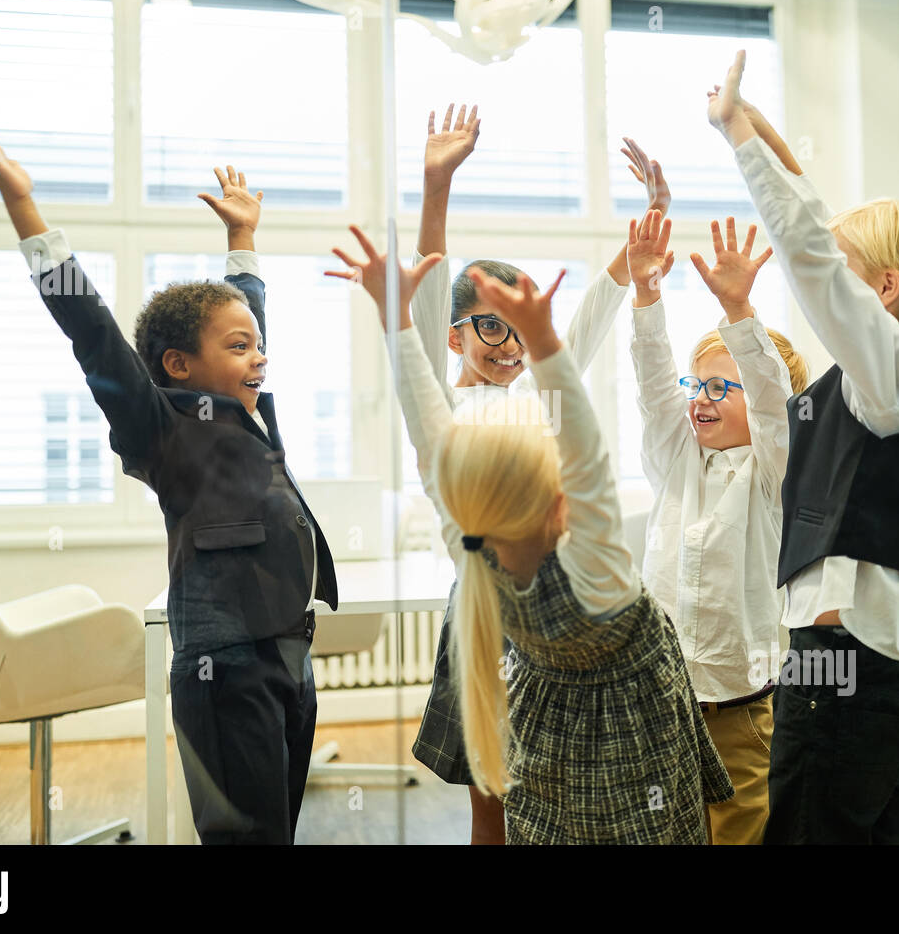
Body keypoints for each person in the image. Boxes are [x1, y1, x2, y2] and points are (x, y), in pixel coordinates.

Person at [0, 107, 340, 844]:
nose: (259, 356)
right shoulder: (159, 424)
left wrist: (243, 239)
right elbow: (90, 329)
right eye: (239, 347)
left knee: (278, 831)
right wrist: (23, 206)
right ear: (177, 367)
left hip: (289, 655)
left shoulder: (244, 407)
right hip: (223, 667)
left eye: (258, 345)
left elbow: (248, 312)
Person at [329, 223, 732, 844]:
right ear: (558, 501)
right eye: (493, 327)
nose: (509, 346)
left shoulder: (470, 518)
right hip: (558, 681)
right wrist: (536, 338)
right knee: (529, 808)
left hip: (587, 688)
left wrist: (397, 321)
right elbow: (579, 450)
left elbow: (426, 423)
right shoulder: (583, 550)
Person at [707, 51, 899, 844]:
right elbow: (820, 231)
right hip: (862, 668)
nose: (827, 296)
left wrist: (738, 142)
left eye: (853, 280)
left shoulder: (897, 372)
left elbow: (815, 259)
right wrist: (757, 129)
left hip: (843, 672)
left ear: (885, 289)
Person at [399, 104, 672, 843]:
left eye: (519, 330)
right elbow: (419, 309)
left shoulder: (531, 395)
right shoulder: (440, 416)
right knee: (489, 791)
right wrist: (435, 189)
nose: (509, 346)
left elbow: (580, 324)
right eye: (491, 327)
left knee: (544, 790)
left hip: (552, 604)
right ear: (456, 334)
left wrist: (640, 239)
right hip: (483, 607)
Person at [626, 198, 807, 843]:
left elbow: (770, 397)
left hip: (740, 705)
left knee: (738, 830)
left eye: (721, 388)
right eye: (698, 385)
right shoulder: (676, 459)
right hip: (664, 699)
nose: (703, 399)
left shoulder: (771, 471)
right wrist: (647, 295)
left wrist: (738, 312)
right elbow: (653, 386)